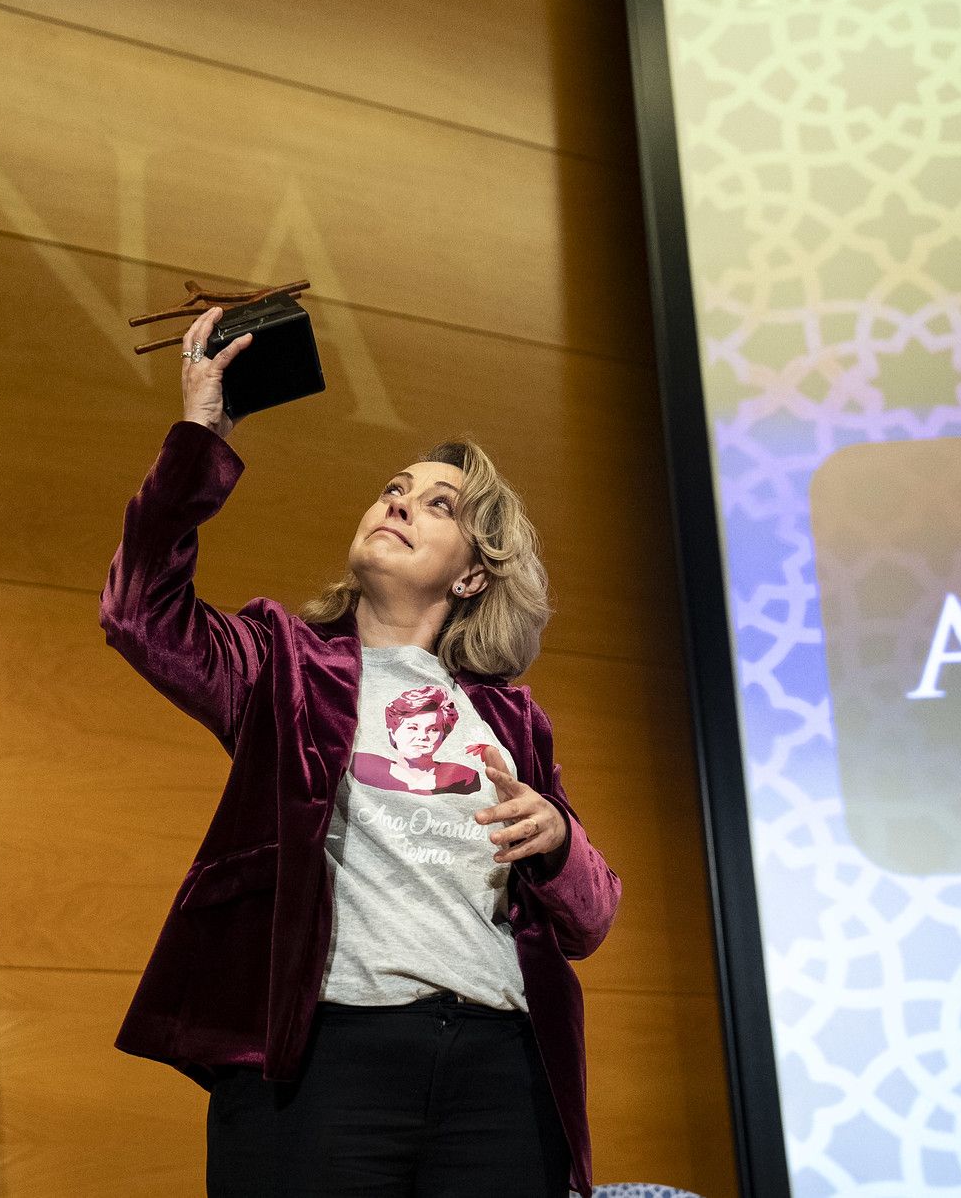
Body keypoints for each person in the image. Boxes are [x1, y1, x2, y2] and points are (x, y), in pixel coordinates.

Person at [101, 308, 622, 1196]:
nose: (398, 502)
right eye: (393, 488)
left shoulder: (514, 719)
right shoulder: (283, 663)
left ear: (472, 574)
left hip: (498, 1068)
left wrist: (558, 839)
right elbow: (138, 610)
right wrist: (199, 436)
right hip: (326, 1059)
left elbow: (590, 917)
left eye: (437, 504)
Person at [352, 684, 483, 795]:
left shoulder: (464, 777)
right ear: (393, 732)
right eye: (413, 728)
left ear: (444, 736)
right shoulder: (363, 765)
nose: (422, 736)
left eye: (433, 729)